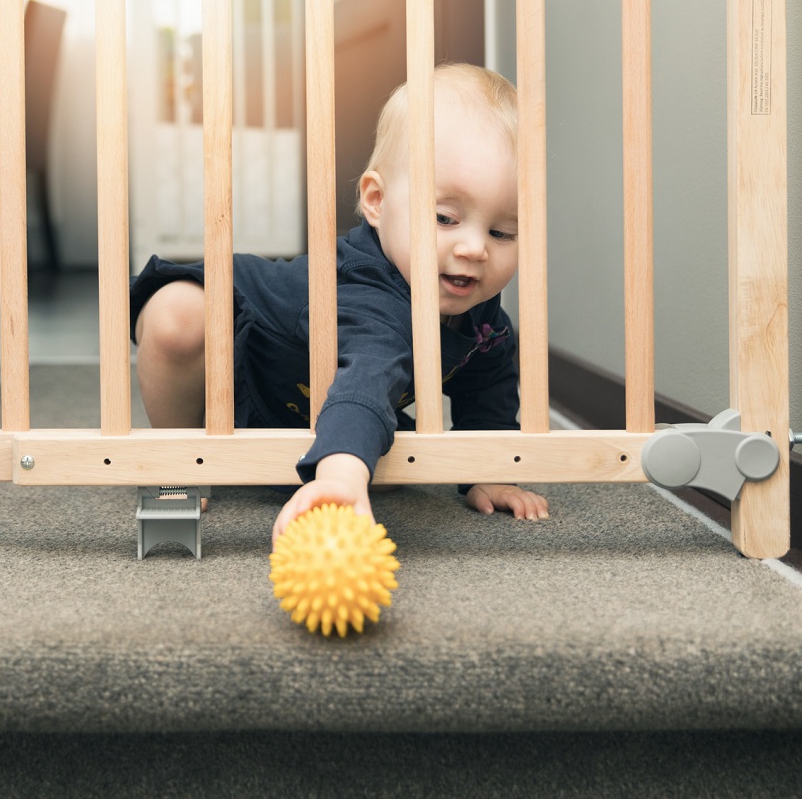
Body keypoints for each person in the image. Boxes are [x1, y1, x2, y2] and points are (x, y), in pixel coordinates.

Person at [130, 63, 549, 545]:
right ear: (376, 200)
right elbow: (366, 379)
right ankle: (178, 459)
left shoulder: (479, 319)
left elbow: (488, 381)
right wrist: (341, 479)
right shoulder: (369, 294)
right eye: (445, 218)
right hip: (239, 341)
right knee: (176, 316)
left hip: (294, 398)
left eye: (502, 232)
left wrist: (488, 468)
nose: (475, 249)